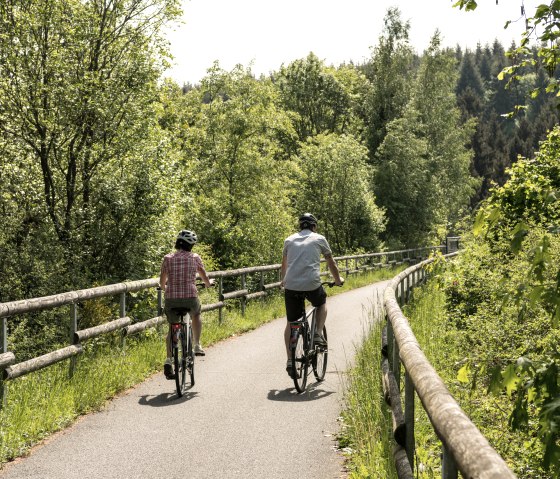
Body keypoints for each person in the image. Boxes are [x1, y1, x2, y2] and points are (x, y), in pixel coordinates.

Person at [280, 213, 343, 376]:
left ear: (300, 226)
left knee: (291, 322)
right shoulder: (319, 238)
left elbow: (284, 265)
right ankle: (317, 333)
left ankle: (289, 360)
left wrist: (283, 281)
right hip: (311, 284)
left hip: (291, 286)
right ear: (314, 226)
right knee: (321, 303)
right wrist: (337, 279)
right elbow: (331, 262)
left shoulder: (289, 240)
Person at [159, 229, 213, 379]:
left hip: (172, 299)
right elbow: (204, 276)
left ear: (178, 243)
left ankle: (169, 360)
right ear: (192, 245)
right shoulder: (195, 257)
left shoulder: (167, 258)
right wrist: (208, 284)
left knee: (172, 327)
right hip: (190, 297)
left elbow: (162, 282)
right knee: (196, 314)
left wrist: (164, 287)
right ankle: (196, 345)